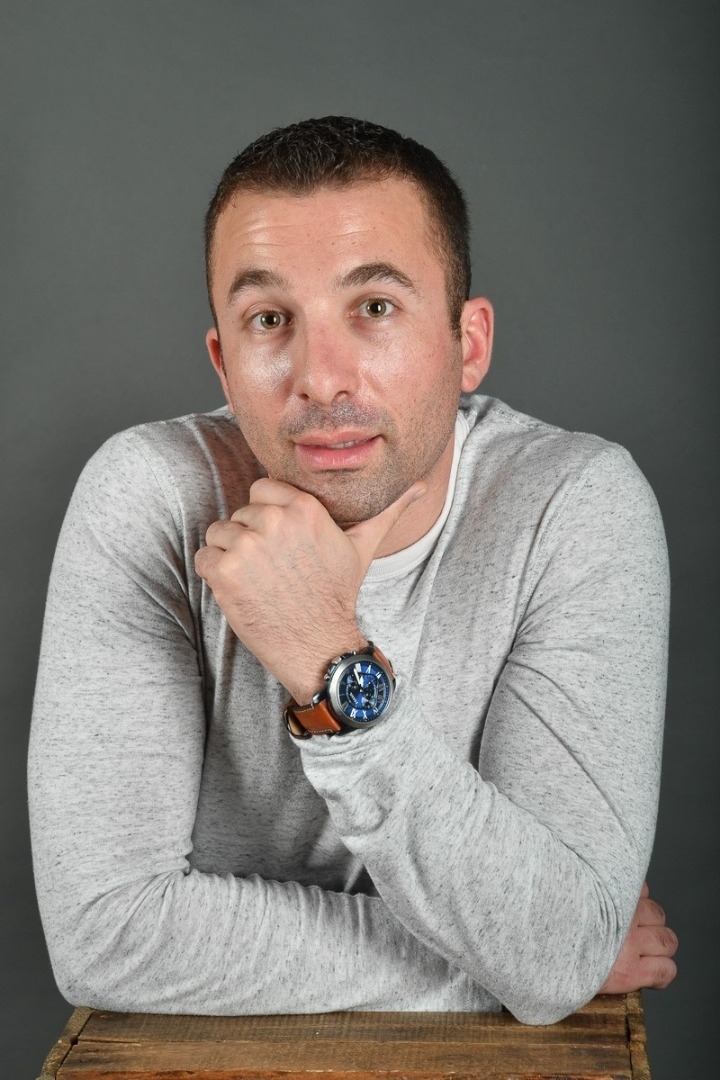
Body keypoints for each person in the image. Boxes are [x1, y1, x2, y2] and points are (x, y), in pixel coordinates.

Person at [28, 116, 677, 1025]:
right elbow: (107, 936)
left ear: (468, 344)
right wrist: (512, 965)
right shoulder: (150, 497)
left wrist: (324, 656)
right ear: (223, 361)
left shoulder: (572, 506)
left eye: (374, 308)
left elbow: (559, 946)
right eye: (269, 320)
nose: (322, 379)